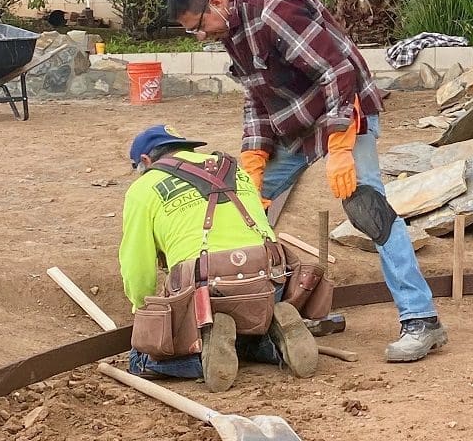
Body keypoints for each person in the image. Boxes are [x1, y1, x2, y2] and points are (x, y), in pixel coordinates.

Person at [166, 0, 448, 364]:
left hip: (345, 111)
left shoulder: (273, 7)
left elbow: (337, 71)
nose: (199, 37)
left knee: (367, 209)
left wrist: (339, 143)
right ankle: (274, 311)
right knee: (245, 203)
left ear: (216, 4)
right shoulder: (232, 28)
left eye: (197, 27)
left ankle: (421, 320)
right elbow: (256, 98)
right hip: (296, 123)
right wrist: (254, 156)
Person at [119, 123, 321, 393]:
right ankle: (271, 344)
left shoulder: (144, 188)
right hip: (267, 277)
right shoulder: (232, 168)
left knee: (140, 359)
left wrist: (144, 314)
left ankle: (202, 357)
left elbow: (137, 267)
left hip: (205, 287)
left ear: (145, 160)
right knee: (247, 322)